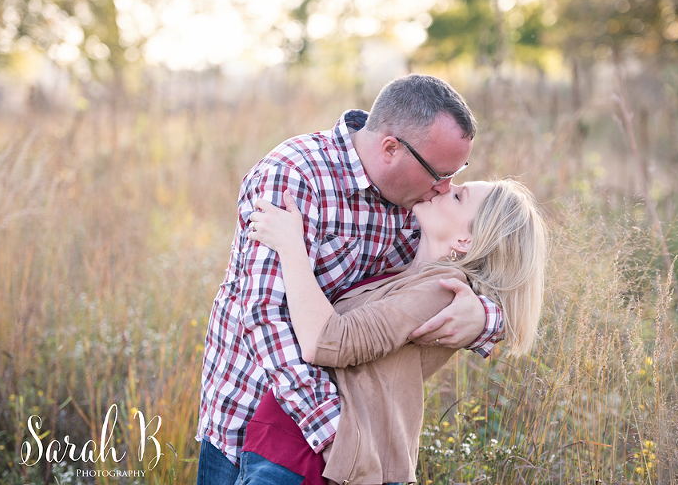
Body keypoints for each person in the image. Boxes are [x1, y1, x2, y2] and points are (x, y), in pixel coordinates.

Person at [195, 74, 505, 484]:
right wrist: (335, 434)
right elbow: (266, 317)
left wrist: (484, 318)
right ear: (391, 148)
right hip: (256, 425)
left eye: (456, 172)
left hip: (357, 444)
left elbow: (484, 260)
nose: (445, 188)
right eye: (439, 173)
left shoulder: (421, 203)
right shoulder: (294, 176)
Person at [245, 178, 546, 484]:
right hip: (286, 447)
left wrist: (291, 246)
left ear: (464, 241)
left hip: (305, 461)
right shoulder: (407, 272)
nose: (445, 187)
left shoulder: (441, 290)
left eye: (458, 197)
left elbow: (327, 341)